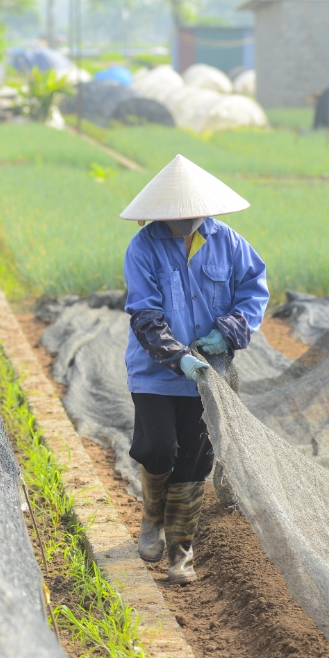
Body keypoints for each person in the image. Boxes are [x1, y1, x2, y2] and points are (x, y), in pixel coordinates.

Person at [120, 154, 269, 584]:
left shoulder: (230, 243)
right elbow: (145, 315)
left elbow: (254, 292)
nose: (183, 219)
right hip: (155, 371)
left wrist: (227, 333)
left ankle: (180, 552)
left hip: (208, 374)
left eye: (190, 211)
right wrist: (177, 356)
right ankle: (152, 517)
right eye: (175, 212)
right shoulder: (143, 247)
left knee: (195, 460)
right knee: (159, 449)